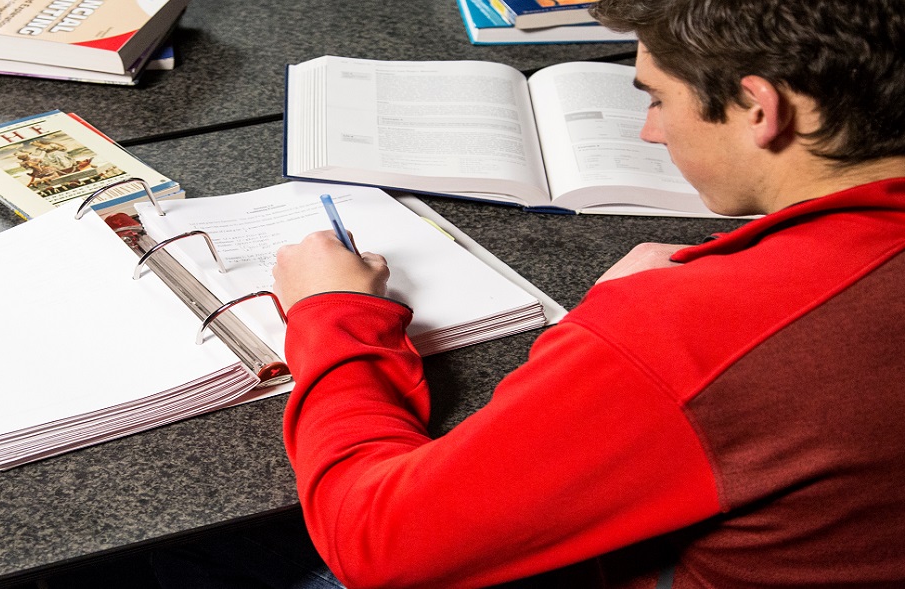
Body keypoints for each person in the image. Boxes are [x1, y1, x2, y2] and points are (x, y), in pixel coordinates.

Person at [266, 0, 905, 587]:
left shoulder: (694, 338)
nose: (650, 132)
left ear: (759, 109)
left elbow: (372, 540)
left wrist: (331, 314)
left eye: (656, 99)